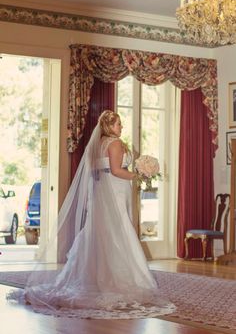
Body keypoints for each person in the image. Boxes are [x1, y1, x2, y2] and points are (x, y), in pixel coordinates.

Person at [8, 110, 176, 319]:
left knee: (102, 234)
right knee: (118, 232)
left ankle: (97, 279)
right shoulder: (114, 144)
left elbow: (101, 170)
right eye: (118, 124)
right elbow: (116, 170)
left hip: (104, 191)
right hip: (114, 190)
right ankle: (119, 281)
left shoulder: (98, 144)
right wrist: (139, 175)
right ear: (108, 126)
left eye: (120, 124)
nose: (121, 127)